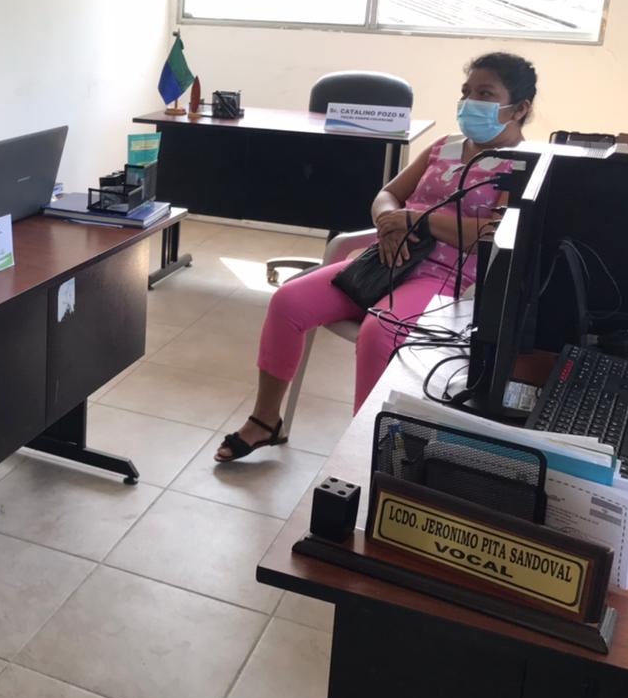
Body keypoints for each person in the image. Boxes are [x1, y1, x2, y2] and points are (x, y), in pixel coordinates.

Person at [216, 52, 538, 462]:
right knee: (288, 301)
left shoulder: (522, 165)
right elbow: (388, 194)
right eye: (466, 91)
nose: (470, 101)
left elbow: (490, 233)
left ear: (520, 108)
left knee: (378, 333)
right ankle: (266, 422)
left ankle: (368, 450)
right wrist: (389, 221)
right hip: (383, 259)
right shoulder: (445, 147)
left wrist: (416, 219)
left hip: (447, 277)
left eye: (485, 93)